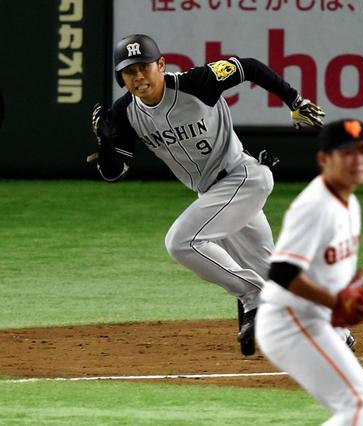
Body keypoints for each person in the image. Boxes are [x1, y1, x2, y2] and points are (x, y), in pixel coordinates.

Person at [89, 34, 325, 355]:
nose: (139, 77)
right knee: (271, 270)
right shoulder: (125, 113)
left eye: (144, 67)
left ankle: (254, 295)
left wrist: (294, 101)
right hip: (215, 196)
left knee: (181, 242)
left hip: (243, 177)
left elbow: (249, 67)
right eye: (130, 72)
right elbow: (115, 173)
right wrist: (105, 145)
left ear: (161, 65)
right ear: (121, 78)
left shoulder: (196, 83)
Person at [255, 119, 363, 425]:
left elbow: (337, 271)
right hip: (289, 321)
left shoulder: (349, 203)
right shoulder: (316, 206)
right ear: (324, 159)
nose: (358, 161)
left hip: (310, 321)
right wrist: (337, 304)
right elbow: (282, 272)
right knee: (361, 409)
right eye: (347, 153)